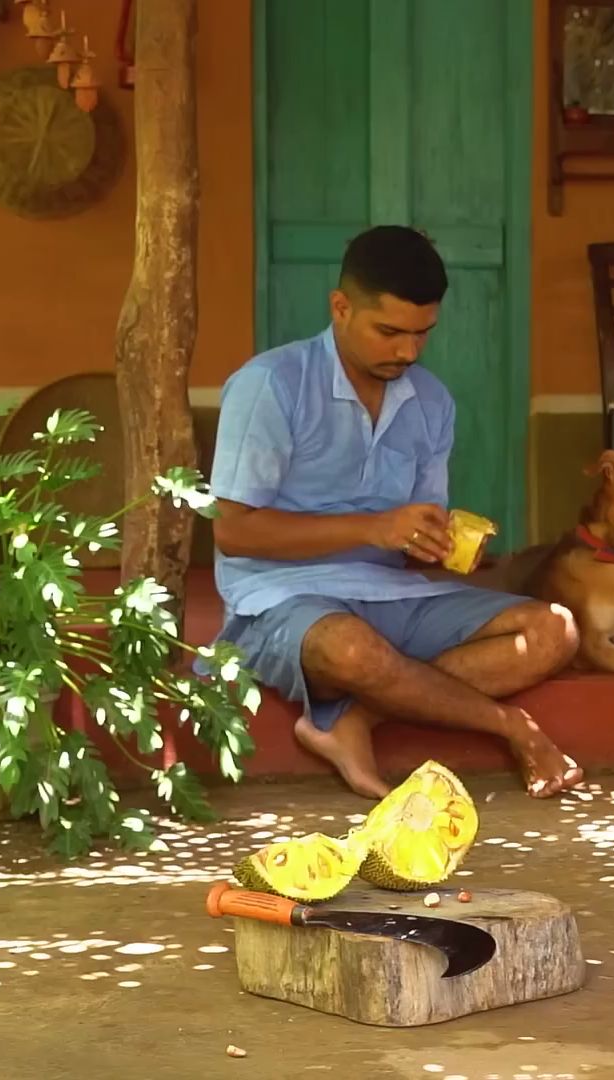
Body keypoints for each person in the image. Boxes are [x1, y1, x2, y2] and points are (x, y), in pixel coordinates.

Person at [208, 225, 585, 800]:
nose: (407, 352)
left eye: (422, 335)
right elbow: (233, 531)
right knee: (351, 649)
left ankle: (352, 719)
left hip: (390, 595)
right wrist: (375, 527)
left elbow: (408, 549)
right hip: (282, 599)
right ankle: (510, 727)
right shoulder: (270, 386)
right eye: (389, 332)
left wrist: (439, 543)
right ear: (340, 307)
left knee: (553, 629)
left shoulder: (431, 402)